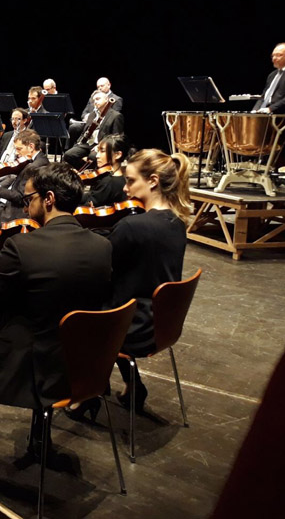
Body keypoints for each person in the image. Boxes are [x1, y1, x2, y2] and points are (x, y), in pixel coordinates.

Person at [0, 162, 113, 471]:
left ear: (49, 199)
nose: (26, 207)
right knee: (49, 332)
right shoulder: (102, 246)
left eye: (28, 200)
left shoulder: (22, 247)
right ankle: (41, 443)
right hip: (81, 368)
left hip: (32, 371)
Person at [108, 149, 191, 414]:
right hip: (161, 325)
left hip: (132, 329)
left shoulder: (133, 227)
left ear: (153, 181)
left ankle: (84, 390)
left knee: (70, 304)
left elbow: (102, 267)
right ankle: (133, 385)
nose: (125, 188)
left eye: (131, 181)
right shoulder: (177, 223)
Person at [63, 90, 125, 169]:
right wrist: (78, 144)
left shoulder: (116, 116)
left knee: (93, 157)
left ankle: (95, 177)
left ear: (106, 99)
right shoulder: (92, 115)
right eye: (94, 100)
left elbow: (116, 136)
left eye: (98, 99)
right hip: (88, 144)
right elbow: (85, 132)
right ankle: (84, 172)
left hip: (102, 145)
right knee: (68, 155)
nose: (95, 101)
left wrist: (101, 145)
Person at [81, 133, 130, 207]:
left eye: (102, 151)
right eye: (98, 151)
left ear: (117, 155)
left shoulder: (109, 181)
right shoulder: (120, 176)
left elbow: (88, 206)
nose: (97, 156)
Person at [252, 42, 285, 114]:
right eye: (273, 56)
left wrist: (271, 109)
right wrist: (255, 110)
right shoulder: (272, 75)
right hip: (264, 112)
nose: (274, 58)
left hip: (280, 114)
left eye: (279, 55)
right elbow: (264, 96)